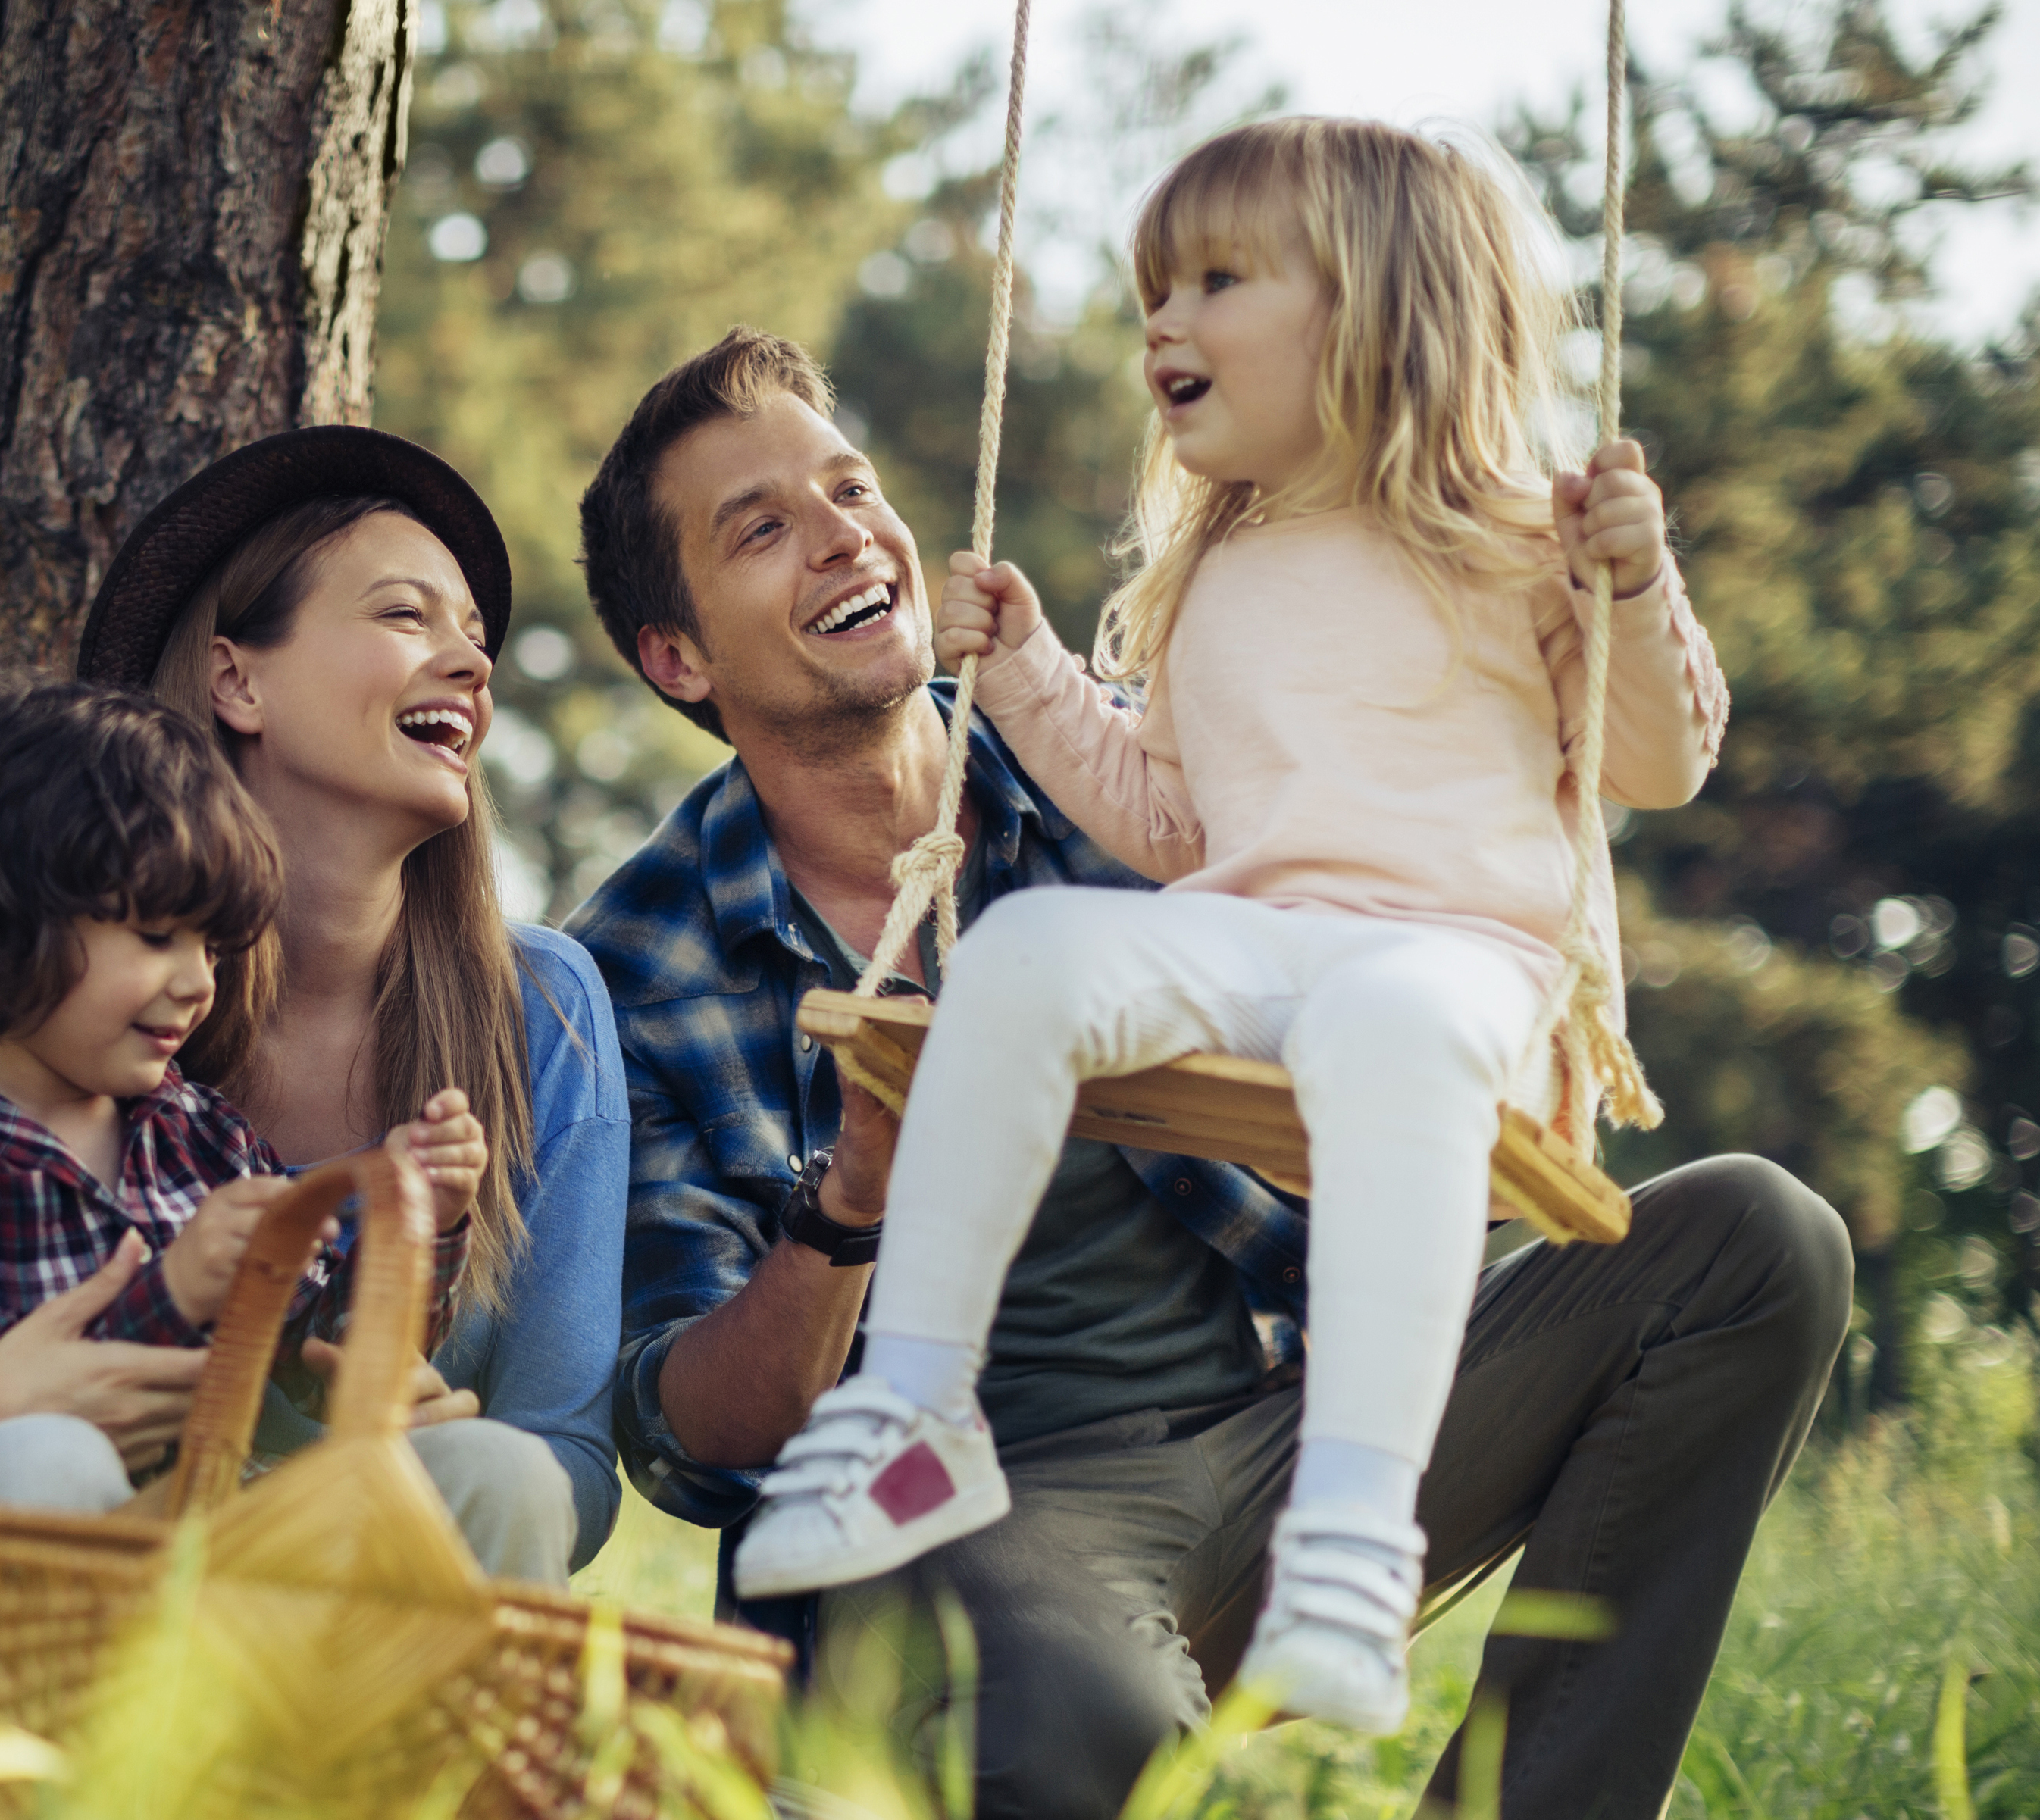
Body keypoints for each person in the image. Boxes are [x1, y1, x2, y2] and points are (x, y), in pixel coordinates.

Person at [567, 321, 1849, 1814]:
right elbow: (691, 1443)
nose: (843, 536)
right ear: (675, 655)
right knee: (1076, 1721)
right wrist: (850, 1195)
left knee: (1754, 1244)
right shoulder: (640, 959)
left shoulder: (1124, 782)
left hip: (1287, 1418)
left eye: (849, 490)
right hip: (988, 1508)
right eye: (762, 529)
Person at [734, 117, 1716, 1736]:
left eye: (1211, 283)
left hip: (1456, 965)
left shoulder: (1524, 538)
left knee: (1392, 1023)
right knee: (1034, 946)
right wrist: (1037, 674)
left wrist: (1629, 581)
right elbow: (1175, 826)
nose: (1159, 326)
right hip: (1258, 937)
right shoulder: (1216, 571)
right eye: (1148, 292)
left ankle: (1347, 1530)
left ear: (1377, 307)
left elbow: (1652, 761)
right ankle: (914, 1406)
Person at [0, 427, 624, 1585]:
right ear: (234, 677)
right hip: (92, 1574)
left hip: (340, 1615)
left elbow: (564, 1457)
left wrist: (391, 1437)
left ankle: (461, 1764)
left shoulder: (543, 1010)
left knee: (498, 1474)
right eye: (407, 615)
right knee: (43, 1462)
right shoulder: (57, 987)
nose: (471, 662)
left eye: (473, 634)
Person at [0, 673, 491, 1508]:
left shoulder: (195, 1132)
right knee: (47, 1461)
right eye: (156, 936)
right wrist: (173, 1293)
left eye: (214, 949)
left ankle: (450, 1641)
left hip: (216, 1562)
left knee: (495, 1470)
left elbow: (306, 1361)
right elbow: (5, 1417)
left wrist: (418, 1228)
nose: (198, 982)